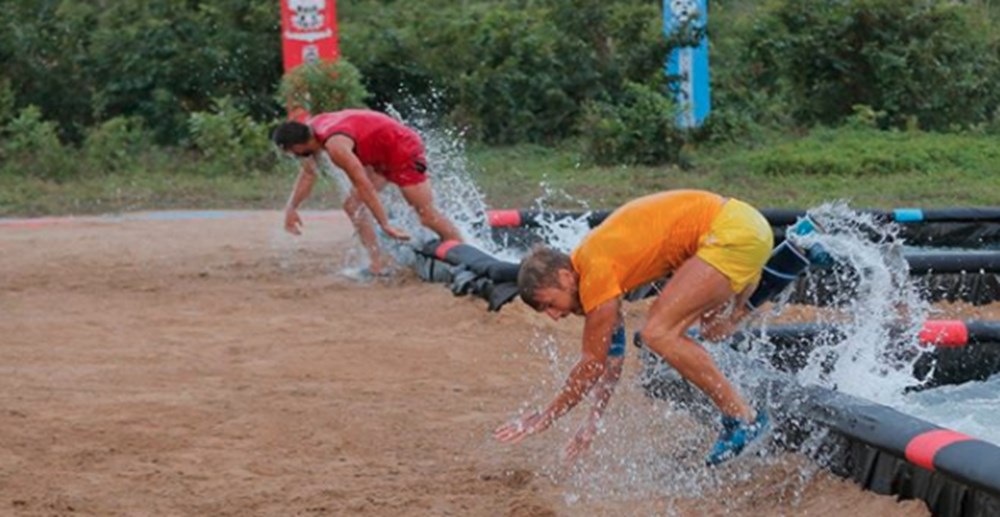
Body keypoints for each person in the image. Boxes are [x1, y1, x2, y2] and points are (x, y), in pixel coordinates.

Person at [494, 189, 775, 466]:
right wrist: (591, 423)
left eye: (550, 304)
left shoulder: (594, 272)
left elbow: (590, 365)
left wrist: (547, 416)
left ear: (565, 277)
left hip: (731, 233)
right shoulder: (599, 275)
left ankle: (743, 418)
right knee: (711, 331)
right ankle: (766, 282)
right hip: (742, 227)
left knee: (657, 333)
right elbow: (610, 361)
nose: (555, 316)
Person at [272, 109, 463, 275]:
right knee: (353, 205)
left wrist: (384, 223)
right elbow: (308, 174)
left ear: (296, 147)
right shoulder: (310, 131)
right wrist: (292, 207)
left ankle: (462, 249)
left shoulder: (336, 146)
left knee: (426, 215)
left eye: (291, 153)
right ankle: (377, 264)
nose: (293, 157)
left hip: (403, 148)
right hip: (381, 155)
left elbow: (364, 185)